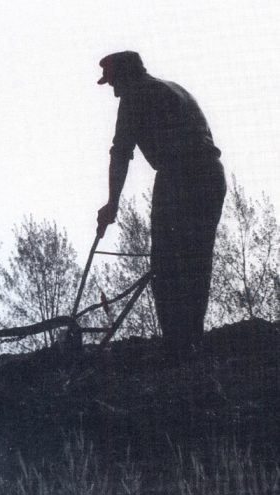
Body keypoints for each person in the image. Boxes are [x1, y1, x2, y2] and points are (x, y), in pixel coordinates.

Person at [95, 51, 226, 362]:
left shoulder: (135, 96)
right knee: (195, 263)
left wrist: (112, 203)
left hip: (181, 178)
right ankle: (190, 342)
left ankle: (176, 348)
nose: (113, 90)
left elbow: (120, 153)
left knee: (166, 267)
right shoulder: (174, 89)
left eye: (113, 82)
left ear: (125, 76)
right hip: (211, 175)